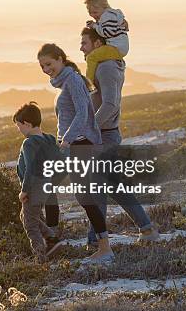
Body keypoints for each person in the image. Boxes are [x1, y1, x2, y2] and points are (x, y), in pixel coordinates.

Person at [80, 27, 160, 245]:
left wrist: (90, 129)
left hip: (104, 136)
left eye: (84, 43)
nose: (81, 48)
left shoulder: (106, 67)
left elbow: (110, 104)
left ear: (98, 44)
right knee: (114, 186)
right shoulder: (101, 64)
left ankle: (96, 241)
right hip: (104, 134)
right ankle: (147, 229)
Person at [37, 43, 114, 264]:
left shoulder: (73, 80)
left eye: (49, 64)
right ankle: (53, 239)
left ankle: (104, 248)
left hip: (80, 145)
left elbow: (83, 113)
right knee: (49, 185)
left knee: (83, 196)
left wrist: (68, 139)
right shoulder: (65, 82)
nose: (46, 69)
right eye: (42, 66)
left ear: (61, 59)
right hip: (71, 144)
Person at [13, 102, 66, 262]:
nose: (19, 130)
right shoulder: (49, 139)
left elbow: (30, 169)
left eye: (19, 126)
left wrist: (25, 190)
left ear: (27, 124)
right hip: (45, 186)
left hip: (33, 188)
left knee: (30, 225)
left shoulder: (29, 143)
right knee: (28, 216)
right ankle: (52, 238)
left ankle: (40, 256)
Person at [83, 0, 129, 85]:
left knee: (91, 57)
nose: (92, 15)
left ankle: (88, 85)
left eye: (95, 12)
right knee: (95, 56)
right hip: (118, 48)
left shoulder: (107, 16)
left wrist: (95, 26)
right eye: (90, 13)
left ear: (105, 7)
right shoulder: (110, 15)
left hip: (116, 48)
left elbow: (108, 33)